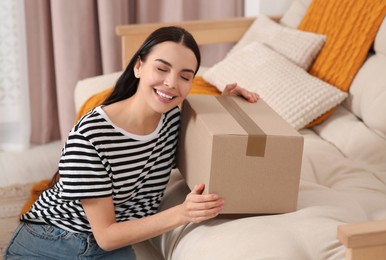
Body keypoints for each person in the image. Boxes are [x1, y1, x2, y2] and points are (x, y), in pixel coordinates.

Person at [5, 26, 259, 259]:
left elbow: (205, 137)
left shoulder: (172, 119)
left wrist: (225, 106)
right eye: (161, 69)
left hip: (111, 245)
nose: (171, 83)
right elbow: (106, 235)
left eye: (185, 76)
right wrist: (183, 213)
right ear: (139, 67)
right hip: (53, 240)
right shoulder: (90, 136)